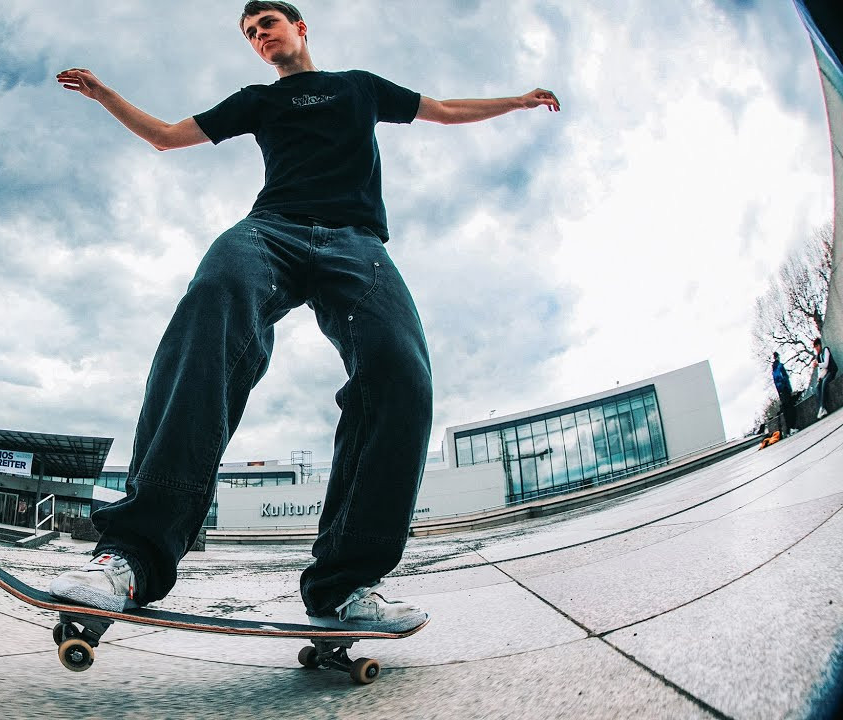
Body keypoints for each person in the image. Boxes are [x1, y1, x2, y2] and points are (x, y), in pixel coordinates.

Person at [49, 1, 559, 631]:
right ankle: (129, 556)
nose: (259, 38)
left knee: (400, 372)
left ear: (299, 28)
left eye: (266, 25)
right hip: (270, 232)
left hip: (356, 244)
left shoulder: (358, 87)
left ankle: (346, 585)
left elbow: (445, 111)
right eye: (249, 34)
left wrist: (517, 101)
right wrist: (105, 95)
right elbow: (167, 136)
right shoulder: (258, 101)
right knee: (213, 302)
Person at [812, 337, 837, 419]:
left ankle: (822, 407)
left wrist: (818, 364)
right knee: (817, 387)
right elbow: (820, 370)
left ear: (819, 345)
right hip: (825, 373)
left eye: (816, 347)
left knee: (825, 382)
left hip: (831, 370)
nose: (816, 349)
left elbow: (826, 364)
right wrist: (819, 378)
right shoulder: (818, 356)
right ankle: (822, 408)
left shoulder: (826, 350)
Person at [771, 352, 795, 434]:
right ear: (778, 357)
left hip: (780, 391)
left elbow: (775, 382)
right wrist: (790, 389)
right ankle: (792, 427)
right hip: (785, 389)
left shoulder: (773, 370)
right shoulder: (780, 366)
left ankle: (788, 430)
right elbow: (785, 378)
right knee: (790, 408)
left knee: (785, 410)